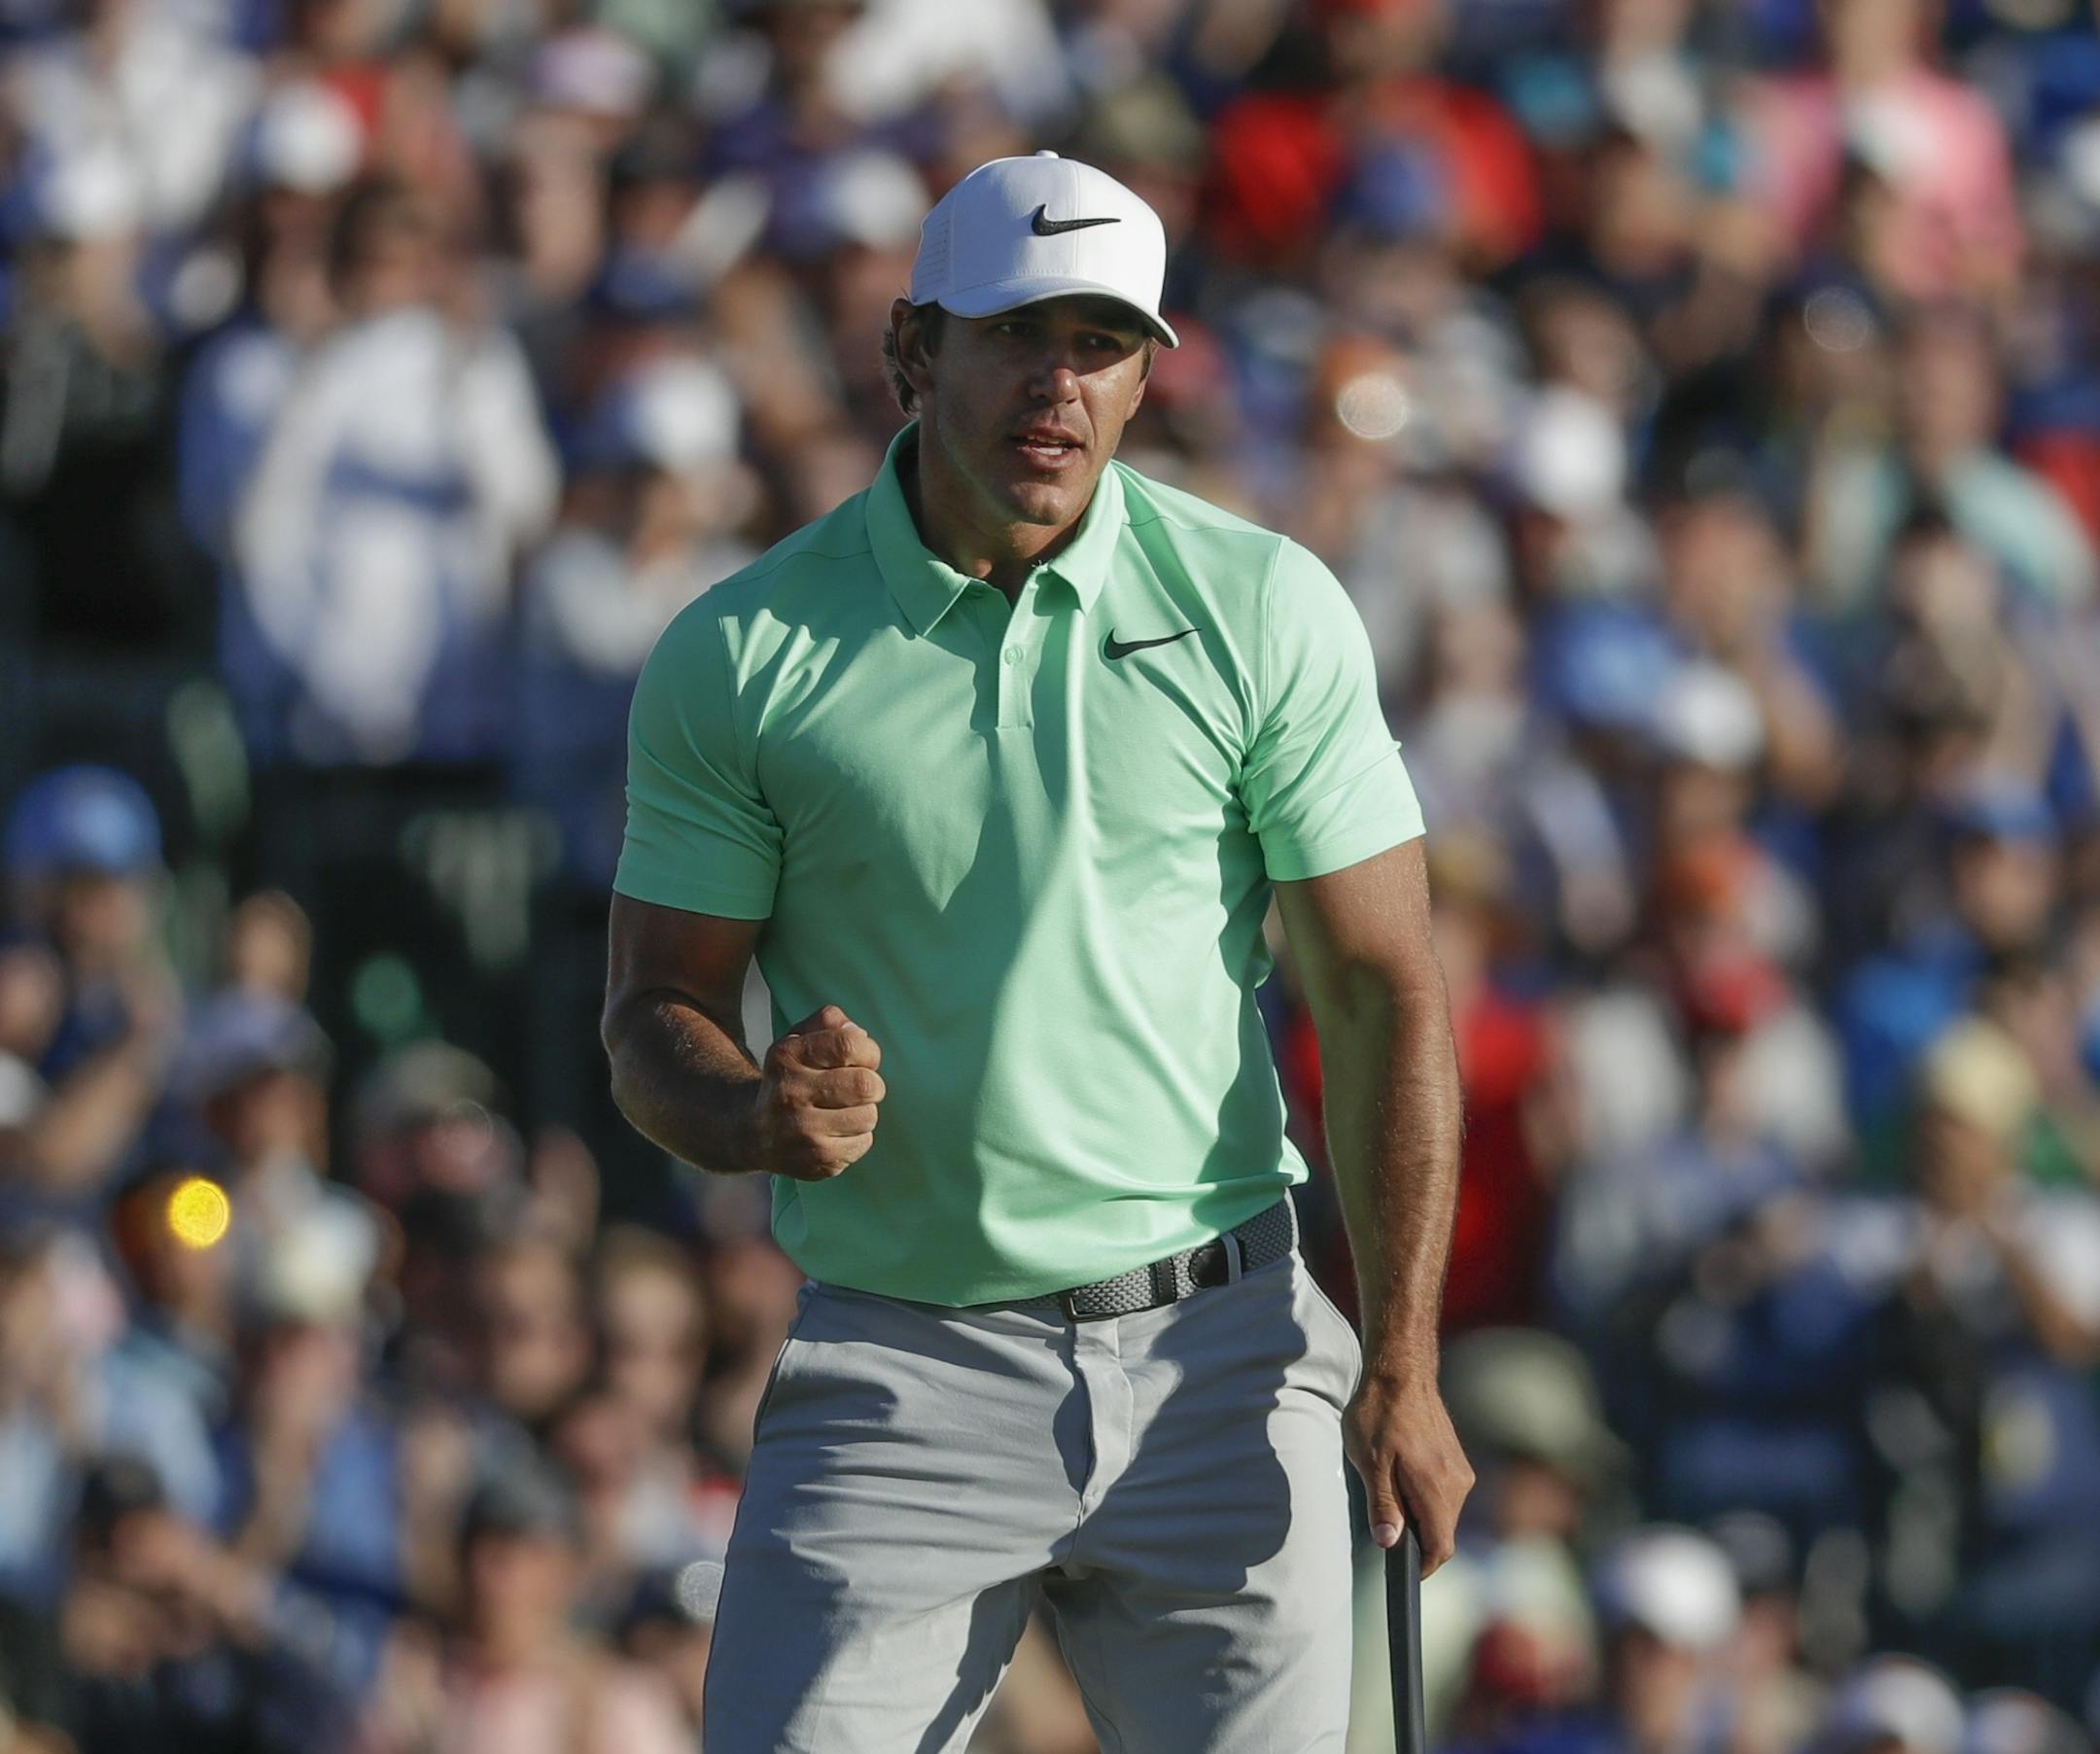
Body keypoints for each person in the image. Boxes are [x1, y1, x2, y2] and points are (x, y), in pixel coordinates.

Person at [601, 150, 1472, 1749]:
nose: (1059, 384)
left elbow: (1382, 989)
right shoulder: (741, 652)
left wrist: (1402, 1362)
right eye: (1017, 334)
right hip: (897, 1364)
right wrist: (744, 1114)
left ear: (1146, 372)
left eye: (1103, 341)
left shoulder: (1261, 607)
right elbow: (657, 1006)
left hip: (1228, 1346)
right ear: (912, 351)